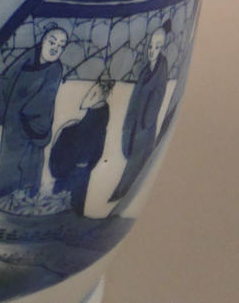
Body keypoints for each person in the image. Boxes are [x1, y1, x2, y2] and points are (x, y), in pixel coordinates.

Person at [0, 26, 68, 200]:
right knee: (8, 158)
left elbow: (45, 99)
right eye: (52, 42)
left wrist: (28, 117)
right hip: (13, 121)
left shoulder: (55, 69)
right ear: (43, 41)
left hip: (32, 123)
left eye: (61, 46)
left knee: (30, 160)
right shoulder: (27, 58)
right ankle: (1, 192)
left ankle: (28, 194)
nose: (55, 48)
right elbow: (7, 80)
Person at [110, 24, 171, 201]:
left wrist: (146, 121)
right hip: (136, 125)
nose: (152, 51)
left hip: (145, 127)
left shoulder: (161, 70)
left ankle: (121, 196)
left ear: (163, 49)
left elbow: (158, 96)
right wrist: (128, 126)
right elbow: (134, 101)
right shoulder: (145, 72)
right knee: (132, 161)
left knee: (137, 164)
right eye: (150, 46)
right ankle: (119, 196)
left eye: (157, 47)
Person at [48, 78, 112, 215]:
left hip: (74, 170)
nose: (87, 95)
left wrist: (66, 131)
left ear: (95, 95)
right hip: (80, 169)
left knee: (65, 206)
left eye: (91, 93)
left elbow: (81, 147)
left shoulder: (94, 121)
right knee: (71, 207)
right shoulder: (99, 118)